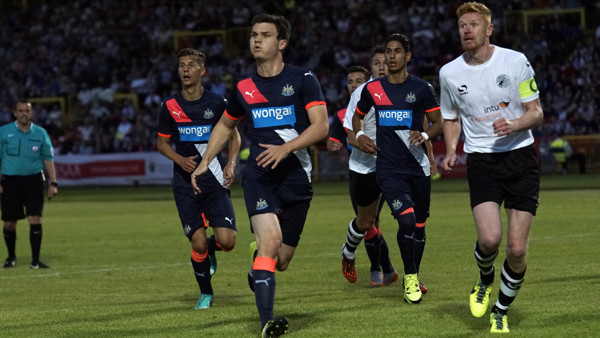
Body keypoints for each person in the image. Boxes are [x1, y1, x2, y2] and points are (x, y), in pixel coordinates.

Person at [191, 14, 328, 338]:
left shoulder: (303, 79)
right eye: (254, 34)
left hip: (296, 175)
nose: (256, 40)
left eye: (265, 35)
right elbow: (226, 125)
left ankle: (260, 260)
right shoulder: (243, 87)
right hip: (260, 177)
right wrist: (205, 161)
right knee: (270, 242)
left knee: (281, 260)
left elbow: (321, 126)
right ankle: (267, 321)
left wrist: (285, 149)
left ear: (281, 43)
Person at [439, 2, 544, 333]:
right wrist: (453, 149)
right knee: (489, 239)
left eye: (473, 25)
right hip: (482, 160)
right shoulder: (449, 73)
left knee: (515, 248)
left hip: (520, 158)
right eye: (462, 26)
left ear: (488, 30)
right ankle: (485, 279)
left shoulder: (515, 61)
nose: (466, 30)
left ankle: (501, 309)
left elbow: (536, 112)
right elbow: (451, 116)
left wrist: (513, 125)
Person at [353, 33, 442, 304]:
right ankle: (411, 279)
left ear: (407, 56)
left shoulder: (423, 88)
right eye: (388, 51)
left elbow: (437, 122)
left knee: (419, 225)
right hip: (389, 168)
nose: (391, 56)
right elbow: (357, 117)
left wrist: (425, 137)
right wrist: (359, 136)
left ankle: (412, 274)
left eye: (397, 51)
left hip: (418, 167)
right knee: (405, 220)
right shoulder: (372, 90)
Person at [157, 48, 240, 310]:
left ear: (202, 71)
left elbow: (234, 136)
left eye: (191, 65)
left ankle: (213, 251)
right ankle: (205, 293)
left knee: (227, 242)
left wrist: (230, 163)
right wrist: (180, 160)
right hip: (184, 182)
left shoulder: (217, 104)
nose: (185, 70)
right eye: (182, 65)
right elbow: (162, 143)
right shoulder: (170, 105)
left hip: (214, 180)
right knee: (198, 241)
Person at [339, 48, 401, 288]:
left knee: (411, 219)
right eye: (377, 63)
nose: (383, 66)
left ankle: (410, 277)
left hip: (394, 168)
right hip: (364, 168)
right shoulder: (362, 94)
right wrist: (365, 145)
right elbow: (349, 134)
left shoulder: (405, 90)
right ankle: (351, 251)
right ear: (371, 68)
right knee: (367, 223)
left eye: (386, 62)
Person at [0, 99, 58, 269]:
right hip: (10, 181)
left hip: (33, 180)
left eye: (27, 110)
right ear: (14, 113)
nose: (24, 113)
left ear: (31, 113)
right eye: (21, 111)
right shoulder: (4, 132)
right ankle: (11, 257)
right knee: (9, 223)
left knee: (34, 218)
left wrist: (53, 182)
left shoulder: (40, 133)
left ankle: (35, 261)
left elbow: (48, 158)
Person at [326, 65, 369, 155]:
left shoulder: (379, 109)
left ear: (368, 84)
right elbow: (332, 143)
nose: (353, 85)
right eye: (350, 82)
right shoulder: (341, 115)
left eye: (358, 81)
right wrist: (332, 147)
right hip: (355, 167)